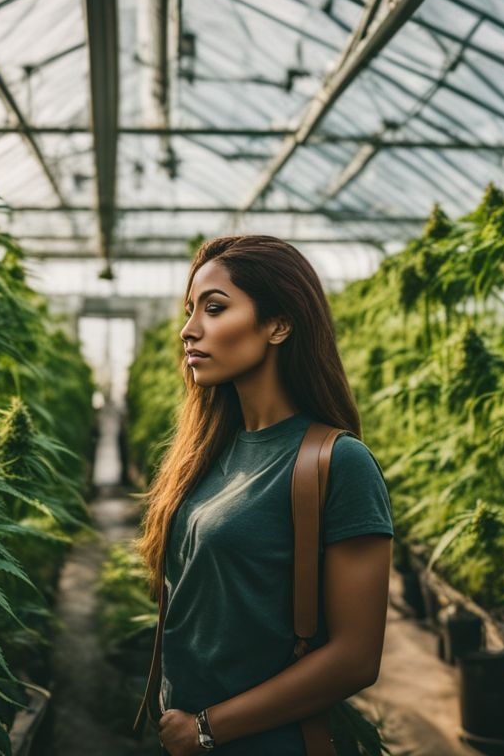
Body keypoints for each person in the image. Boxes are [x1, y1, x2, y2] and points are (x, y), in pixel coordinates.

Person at [133, 235, 394, 755]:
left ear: (278, 324)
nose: (189, 330)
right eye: (190, 311)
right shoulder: (207, 452)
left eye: (214, 308)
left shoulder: (339, 464)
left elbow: (355, 658)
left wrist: (206, 727)